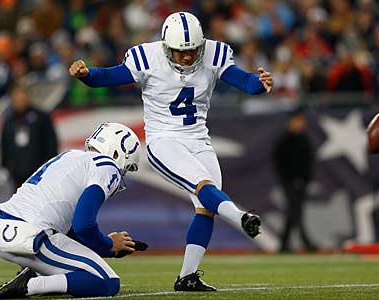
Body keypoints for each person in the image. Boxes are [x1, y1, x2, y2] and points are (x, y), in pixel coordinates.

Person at [69, 11, 273, 291]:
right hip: (163, 140)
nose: (188, 57)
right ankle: (241, 217)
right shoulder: (147, 58)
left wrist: (260, 84)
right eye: (180, 52)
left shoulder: (213, 53)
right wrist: (86, 74)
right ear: (166, 47)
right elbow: (107, 77)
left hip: (199, 139)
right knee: (205, 187)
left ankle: (187, 277)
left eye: (192, 51)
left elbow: (245, 81)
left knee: (206, 208)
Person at [0, 122, 146, 299]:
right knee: (107, 282)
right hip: (33, 235)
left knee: (80, 267)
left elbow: (70, 233)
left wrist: (108, 248)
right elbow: (83, 225)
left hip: (1, 229)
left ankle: (35, 274)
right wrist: (108, 244)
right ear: (117, 153)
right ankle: (29, 285)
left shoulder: (69, 156)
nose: (122, 173)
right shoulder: (106, 166)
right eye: (126, 167)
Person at [0, 83, 59, 191]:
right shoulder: (9, 121)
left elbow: (51, 142)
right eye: (16, 98)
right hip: (17, 173)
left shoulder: (41, 117)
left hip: (38, 171)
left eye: (22, 97)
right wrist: (3, 166)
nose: (20, 101)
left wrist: (50, 164)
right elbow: (4, 145)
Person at [273, 110, 317, 252]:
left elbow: (309, 161)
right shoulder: (284, 140)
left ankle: (284, 244)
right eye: (297, 121)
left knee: (294, 211)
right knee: (295, 210)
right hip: (289, 181)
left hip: (301, 181)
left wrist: (306, 179)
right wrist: (286, 179)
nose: (300, 124)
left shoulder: (304, 140)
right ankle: (306, 241)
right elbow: (278, 162)